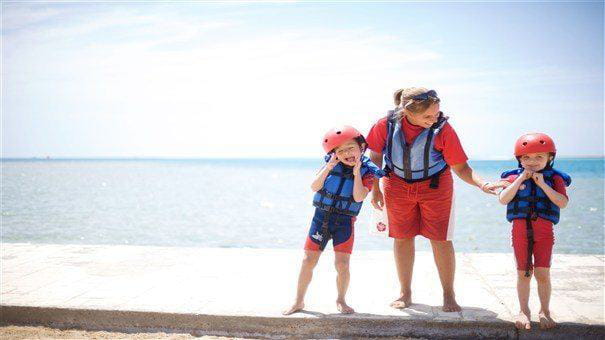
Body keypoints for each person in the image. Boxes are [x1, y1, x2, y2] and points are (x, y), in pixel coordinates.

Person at [366, 87, 505, 312]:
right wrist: (375, 189)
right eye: (427, 116)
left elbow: (460, 167)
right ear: (407, 112)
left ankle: (448, 294)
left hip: (436, 187)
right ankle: (405, 292)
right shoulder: (386, 124)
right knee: (402, 238)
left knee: (441, 239)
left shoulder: (443, 129)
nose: (434, 119)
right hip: (396, 186)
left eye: (437, 113)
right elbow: (374, 156)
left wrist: (483, 184)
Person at [283, 126, 383, 315]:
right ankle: (298, 301)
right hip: (321, 218)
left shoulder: (367, 173)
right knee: (308, 260)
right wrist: (328, 167)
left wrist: (356, 173)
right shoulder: (331, 166)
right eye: (341, 150)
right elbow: (314, 186)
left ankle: (341, 300)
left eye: (350, 148)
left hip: (344, 222)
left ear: (361, 147)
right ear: (335, 154)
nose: (346, 153)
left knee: (342, 264)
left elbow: (359, 197)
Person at [498, 133, 570, 330]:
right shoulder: (513, 177)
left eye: (539, 157)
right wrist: (521, 178)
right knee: (523, 273)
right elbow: (503, 199)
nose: (532, 161)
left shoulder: (554, 179)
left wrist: (542, 184)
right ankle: (523, 311)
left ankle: (544, 311)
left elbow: (562, 203)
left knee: (543, 272)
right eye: (526, 157)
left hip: (544, 232)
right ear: (519, 159)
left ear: (550, 158)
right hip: (520, 231)